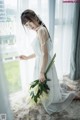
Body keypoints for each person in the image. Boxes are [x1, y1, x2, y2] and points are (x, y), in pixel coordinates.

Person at [19, 9, 77, 115]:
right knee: (46, 88)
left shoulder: (41, 30)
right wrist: (27, 57)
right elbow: (40, 53)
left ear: (35, 17)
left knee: (51, 95)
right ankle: (62, 90)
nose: (29, 26)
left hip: (44, 64)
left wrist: (41, 72)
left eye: (30, 22)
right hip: (41, 62)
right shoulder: (39, 30)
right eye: (26, 25)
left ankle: (73, 95)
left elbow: (45, 54)